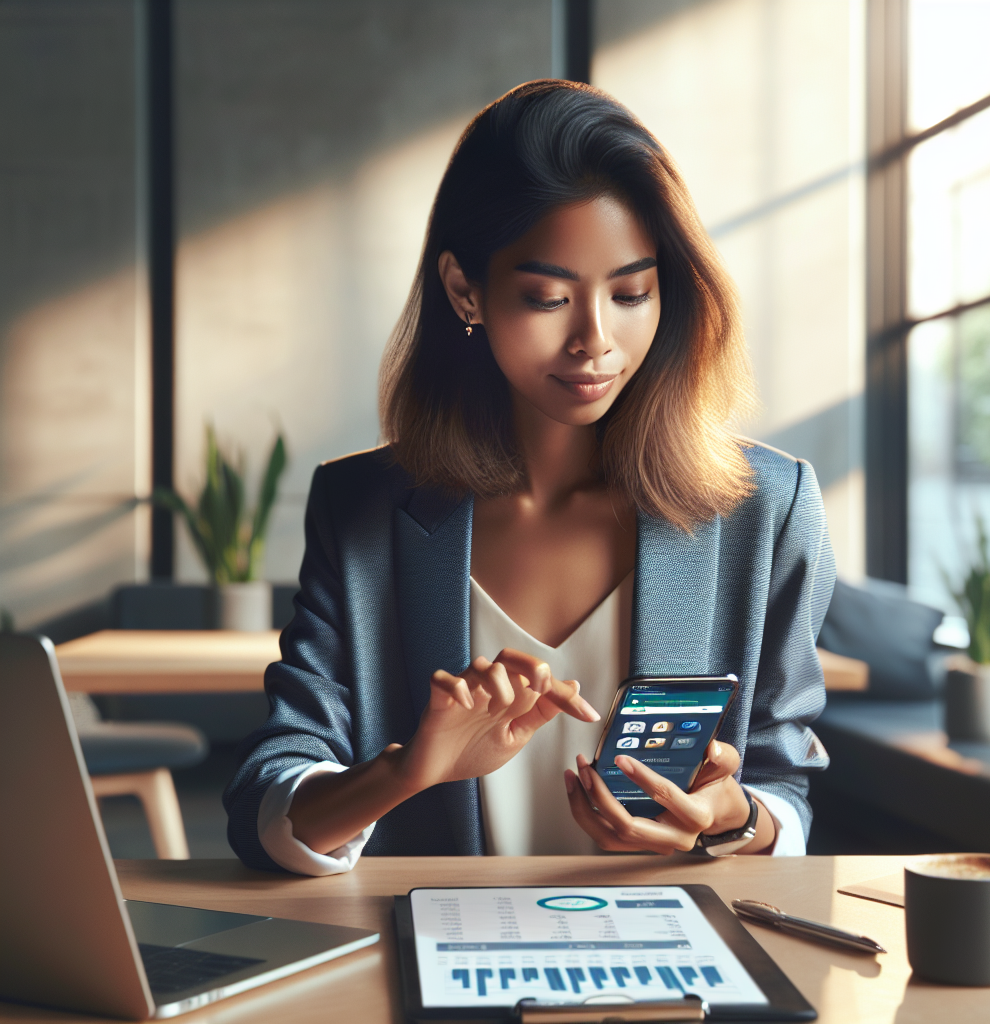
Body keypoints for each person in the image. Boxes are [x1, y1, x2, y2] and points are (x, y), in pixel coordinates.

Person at [224, 80, 834, 874]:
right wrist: (407, 771)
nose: (595, 340)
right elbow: (265, 806)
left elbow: (784, 789)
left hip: (681, 965)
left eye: (630, 293)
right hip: (436, 968)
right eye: (548, 298)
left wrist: (735, 818)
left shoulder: (769, 510)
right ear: (464, 291)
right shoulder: (363, 511)